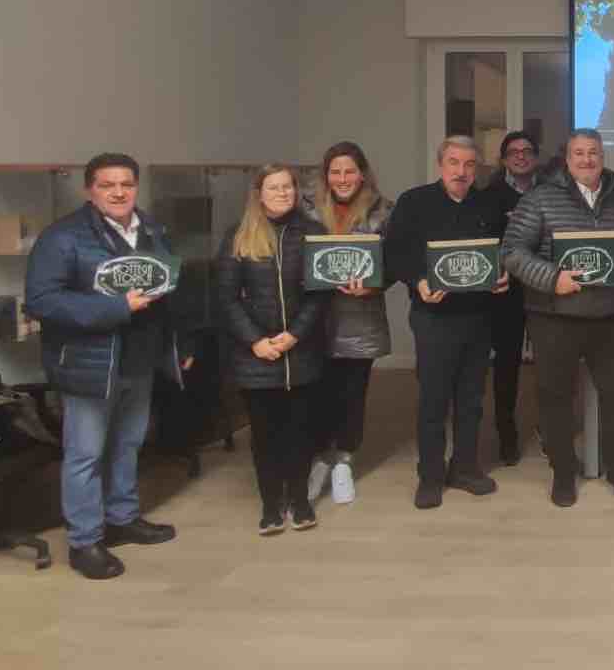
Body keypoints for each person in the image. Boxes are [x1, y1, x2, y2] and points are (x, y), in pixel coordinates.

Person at [25, 153, 194, 580]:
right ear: (90, 190)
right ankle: (85, 542)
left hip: (140, 358)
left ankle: (122, 519)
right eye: (107, 185)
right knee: (84, 455)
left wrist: (180, 343)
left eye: (126, 184)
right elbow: (42, 301)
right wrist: (116, 307)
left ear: (136, 187)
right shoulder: (62, 237)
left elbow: (169, 288)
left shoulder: (153, 229)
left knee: (128, 444)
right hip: (88, 364)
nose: (118, 192)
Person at [502, 129, 614, 507]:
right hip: (554, 317)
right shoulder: (540, 198)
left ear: (603, 156)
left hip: (610, 317)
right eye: (578, 153)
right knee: (556, 398)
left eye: (593, 152)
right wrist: (552, 278)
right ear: (567, 158)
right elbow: (512, 252)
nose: (586, 159)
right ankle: (563, 474)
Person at [386, 136, 509, 509]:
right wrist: (419, 281)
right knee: (433, 399)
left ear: (477, 168)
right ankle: (430, 476)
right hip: (433, 317)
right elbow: (395, 253)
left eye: (469, 164)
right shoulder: (413, 201)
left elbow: (504, 251)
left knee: (471, 399)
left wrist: (504, 275)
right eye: (454, 163)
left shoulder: (489, 203)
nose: (461, 171)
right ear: (441, 164)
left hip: (478, 316)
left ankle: (466, 468)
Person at [216, 164, 331, 536]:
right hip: (256, 356)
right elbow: (227, 299)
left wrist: (295, 335)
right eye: (274, 187)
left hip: (301, 352)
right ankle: (269, 506)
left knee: (300, 433)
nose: (283, 193)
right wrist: (256, 341)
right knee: (265, 436)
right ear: (258, 193)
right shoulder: (238, 236)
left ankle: (299, 502)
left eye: (288, 187)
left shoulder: (313, 233)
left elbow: (319, 293)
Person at [304, 141, 393, 507]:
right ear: (326, 175)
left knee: (352, 394)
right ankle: (319, 459)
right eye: (335, 171)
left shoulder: (383, 212)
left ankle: (343, 461)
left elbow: (395, 261)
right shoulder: (304, 210)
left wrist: (373, 284)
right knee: (316, 394)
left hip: (360, 319)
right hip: (312, 319)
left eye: (349, 171)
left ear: (362, 173)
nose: (342, 179)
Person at [482, 130, 539, 465]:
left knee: (550, 362)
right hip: (506, 292)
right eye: (514, 152)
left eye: (527, 150)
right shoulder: (489, 195)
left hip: (544, 288)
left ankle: (550, 431)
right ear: (503, 159)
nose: (521, 156)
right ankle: (507, 433)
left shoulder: (549, 192)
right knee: (506, 365)